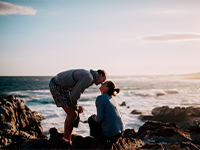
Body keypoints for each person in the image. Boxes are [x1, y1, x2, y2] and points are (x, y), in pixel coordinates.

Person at [49, 69, 107, 144]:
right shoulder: (89, 78)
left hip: (60, 85)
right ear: (100, 75)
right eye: (103, 80)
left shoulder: (89, 76)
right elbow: (73, 97)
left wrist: (76, 106)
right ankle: (66, 141)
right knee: (72, 115)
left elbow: (74, 92)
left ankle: (67, 139)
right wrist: (77, 107)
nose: (102, 83)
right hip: (57, 86)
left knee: (73, 114)